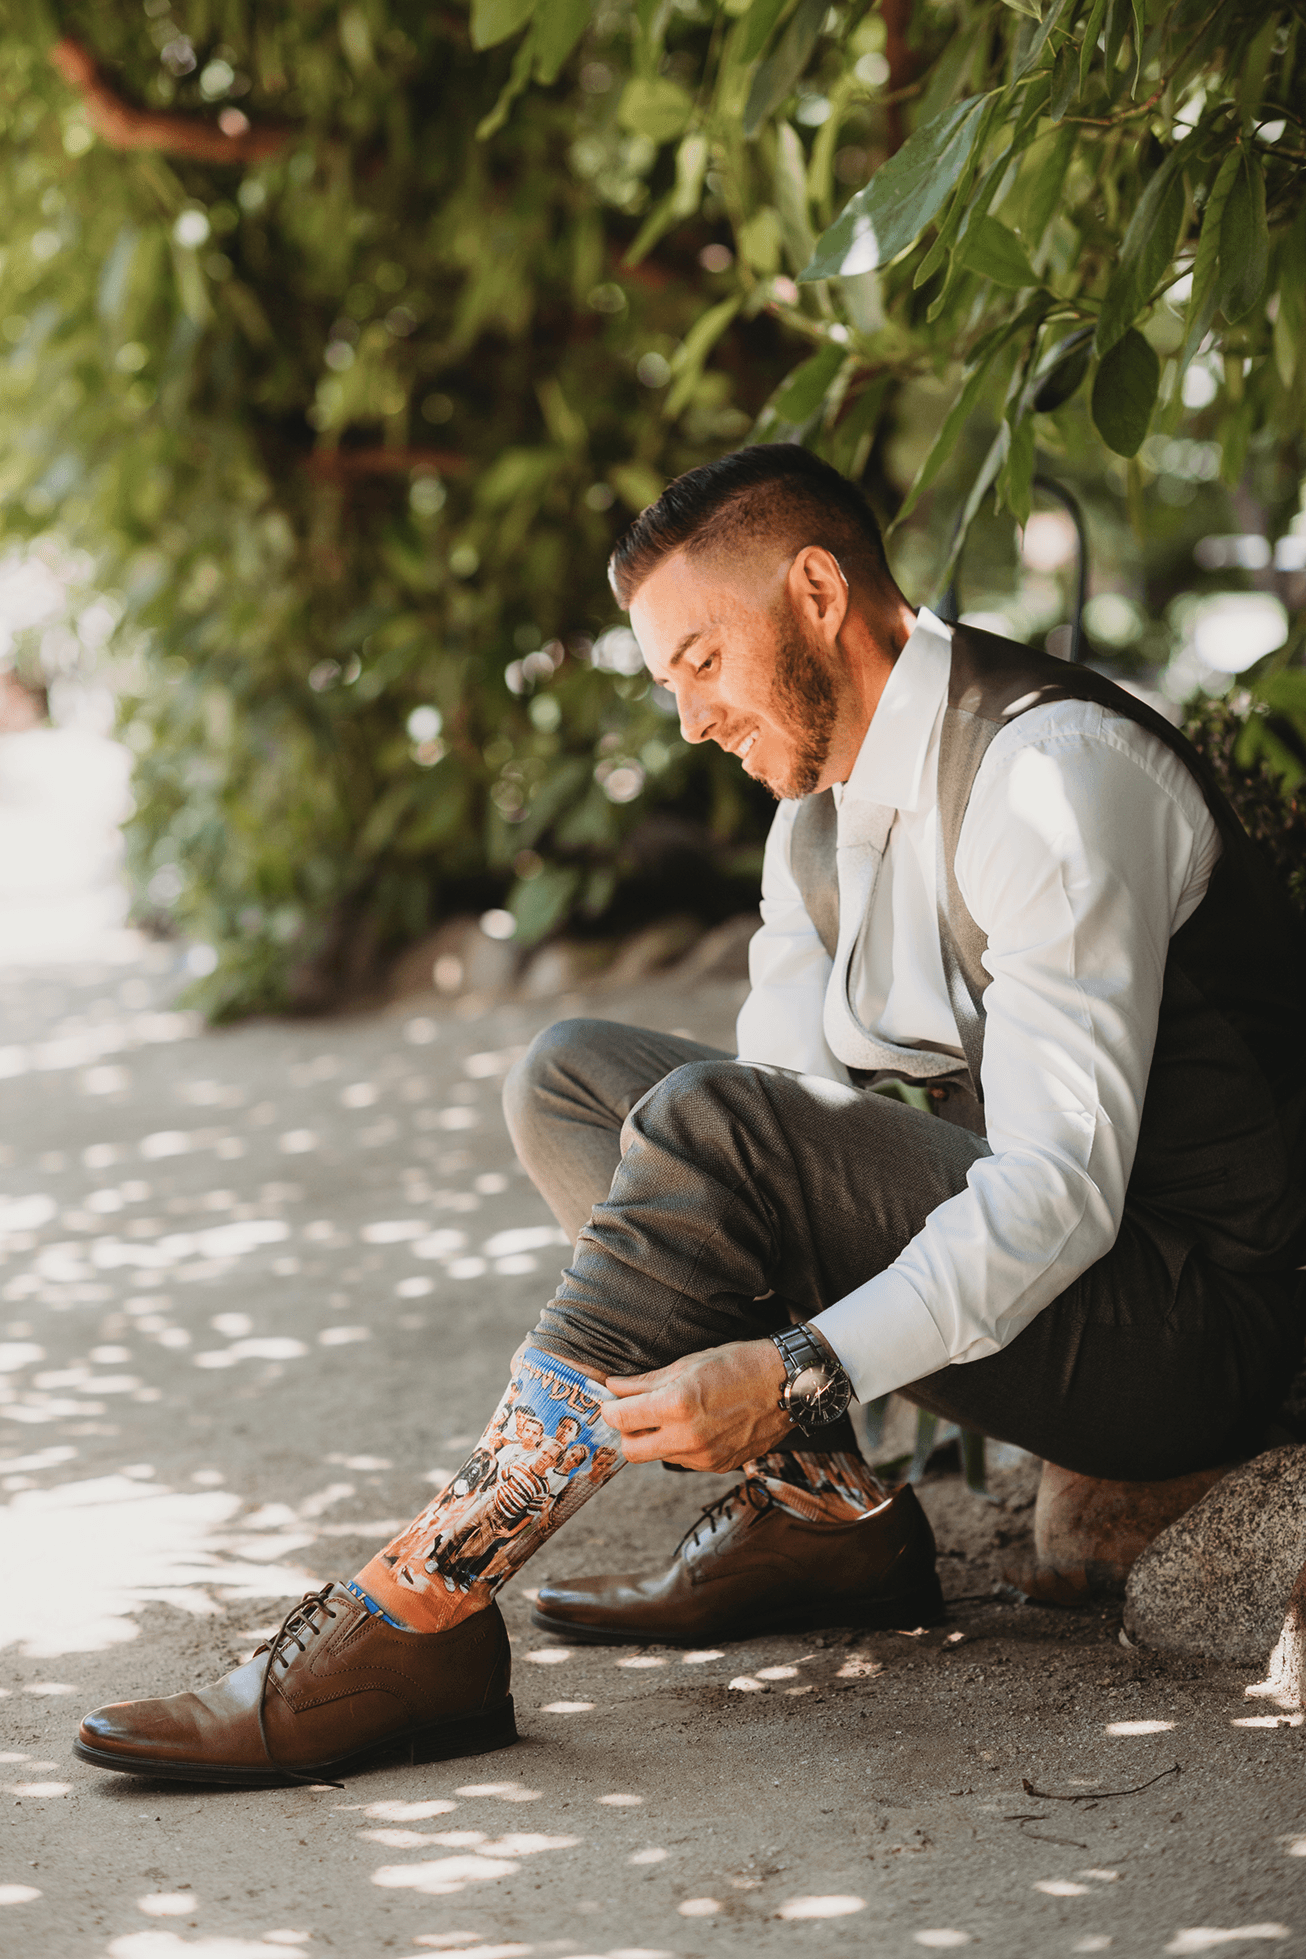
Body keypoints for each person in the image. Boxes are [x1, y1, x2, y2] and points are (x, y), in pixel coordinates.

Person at [75, 444, 1306, 1787]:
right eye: (672, 681)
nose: (689, 718)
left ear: (819, 591)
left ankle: (429, 1592)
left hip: (1200, 1322)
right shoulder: (814, 820)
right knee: (572, 1078)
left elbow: (1057, 1191)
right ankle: (822, 1511)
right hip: (1069, 1287)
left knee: (711, 1123)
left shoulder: (1048, 776)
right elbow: (770, 1113)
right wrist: (778, 1354)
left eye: (703, 659)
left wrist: (796, 1369)